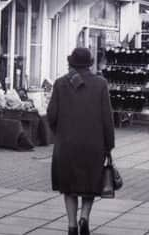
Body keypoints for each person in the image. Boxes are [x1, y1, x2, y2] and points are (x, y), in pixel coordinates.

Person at [47, 47, 115, 235]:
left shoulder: (60, 84)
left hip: (67, 144)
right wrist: (109, 145)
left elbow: (51, 115)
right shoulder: (100, 83)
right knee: (89, 184)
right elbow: (107, 118)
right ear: (90, 63)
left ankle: (71, 226)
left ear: (71, 63)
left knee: (68, 187)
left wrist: (59, 133)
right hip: (93, 144)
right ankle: (84, 217)